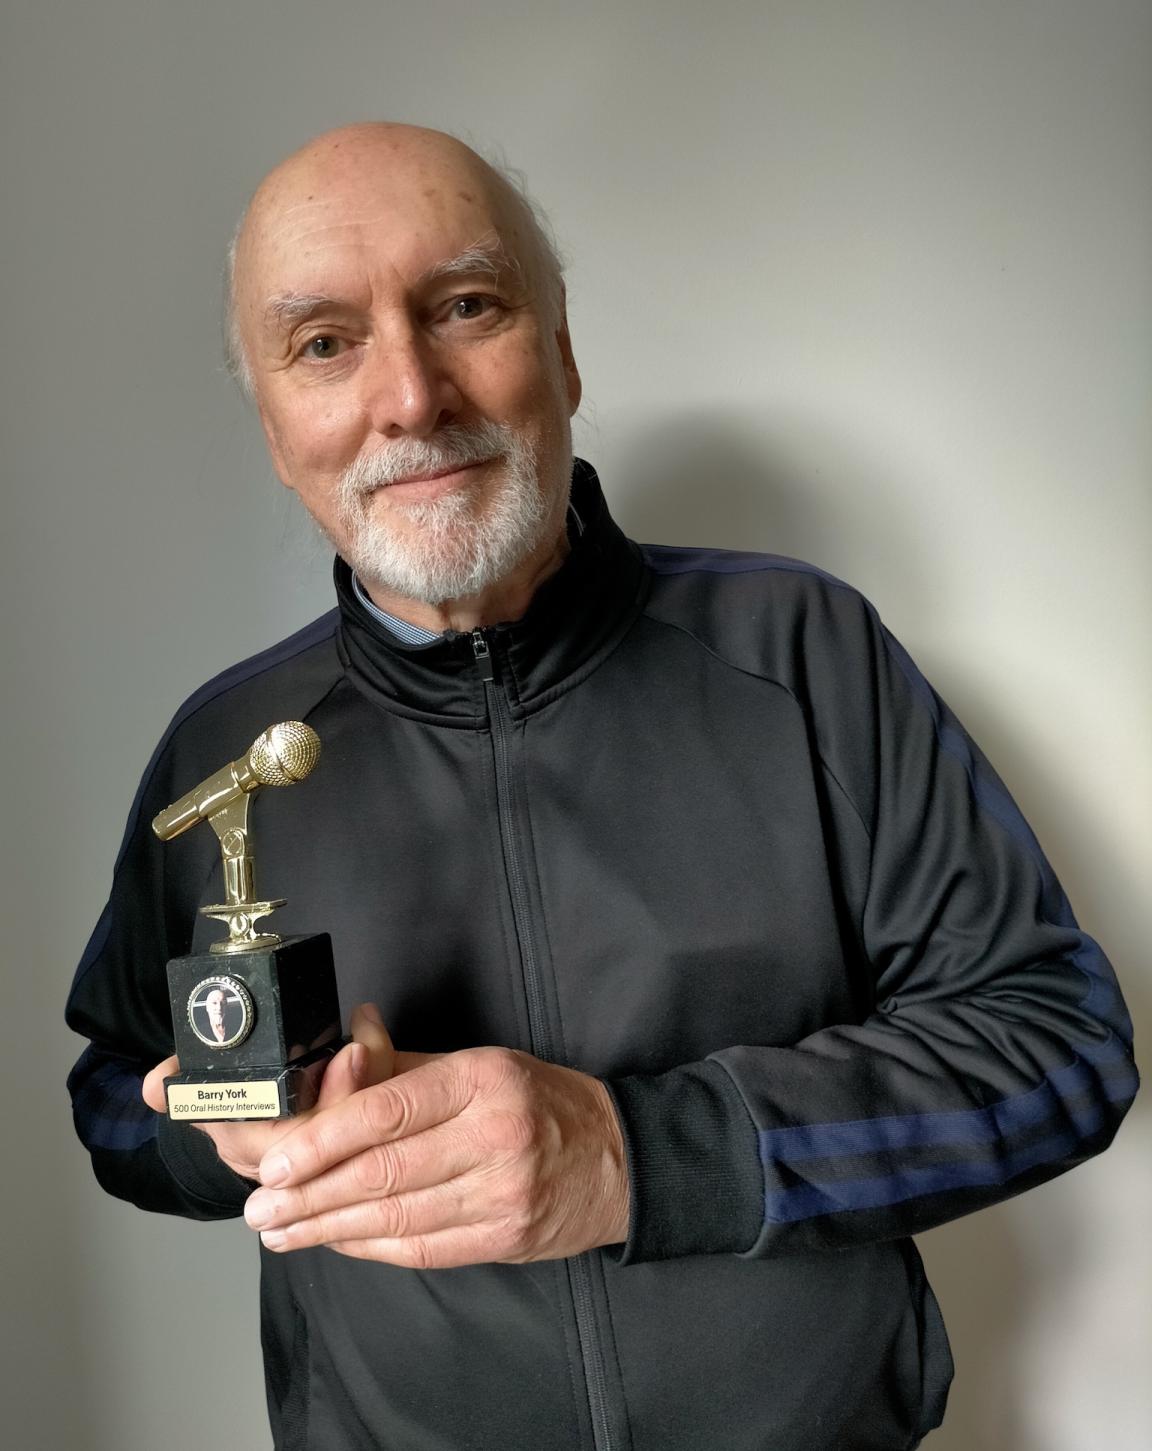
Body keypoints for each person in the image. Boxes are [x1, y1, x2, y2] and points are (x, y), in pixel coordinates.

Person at [66, 123, 1138, 1451]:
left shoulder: (806, 655)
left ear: (560, 350)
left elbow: (1063, 1049)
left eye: (463, 305)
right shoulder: (220, 749)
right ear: (278, 430)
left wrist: (630, 1159)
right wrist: (219, 1133)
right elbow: (113, 1094)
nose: (410, 395)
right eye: (326, 343)